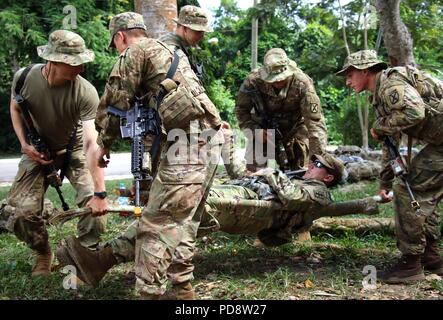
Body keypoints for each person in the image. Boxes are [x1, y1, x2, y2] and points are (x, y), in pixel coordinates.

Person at [56, 154, 361, 294]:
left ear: (329, 177)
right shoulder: (304, 178)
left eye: (317, 165)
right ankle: (104, 258)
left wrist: (269, 174)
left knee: (181, 205)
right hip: (245, 198)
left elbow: (292, 197)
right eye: (312, 161)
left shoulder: (319, 192)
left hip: (250, 208)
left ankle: (104, 259)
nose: (310, 165)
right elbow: (253, 175)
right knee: (173, 211)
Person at [91, 12, 224, 299]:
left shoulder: (134, 52)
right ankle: (182, 288)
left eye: (115, 44)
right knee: (186, 221)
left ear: (120, 37)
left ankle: (149, 294)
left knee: (156, 223)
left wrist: (104, 144)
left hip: (187, 145)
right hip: (210, 142)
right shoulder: (170, 51)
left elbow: (115, 103)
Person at [2, 30, 108, 276]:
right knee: (20, 214)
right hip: (36, 152)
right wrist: (24, 144)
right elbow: (16, 107)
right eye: (73, 63)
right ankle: (43, 252)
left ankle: (82, 254)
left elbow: (92, 143)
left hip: (75, 151)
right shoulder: (24, 77)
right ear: (53, 61)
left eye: (81, 62)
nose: (80, 69)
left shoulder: (85, 92)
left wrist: (100, 193)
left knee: (95, 209)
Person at [337, 49, 443, 283]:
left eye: (350, 74)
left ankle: (410, 264)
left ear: (365, 70)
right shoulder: (381, 94)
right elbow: (391, 143)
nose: (347, 80)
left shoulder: (390, 85)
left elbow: (415, 112)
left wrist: (381, 125)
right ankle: (431, 257)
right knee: (418, 188)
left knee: (408, 189)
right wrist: (384, 181)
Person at [235, 48, 328, 172]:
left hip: (295, 129)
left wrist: (318, 162)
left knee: (301, 172)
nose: (278, 81)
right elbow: (241, 111)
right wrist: (255, 130)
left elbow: (315, 123)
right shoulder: (252, 82)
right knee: (255, 173)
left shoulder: (302, 83)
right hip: (263, 130)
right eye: (273, 78)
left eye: (281, 77)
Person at [160, 5, 212, 80]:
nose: (202, 36)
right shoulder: (171, 49)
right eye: (198, 31)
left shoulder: (182, 46)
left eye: (203, 32)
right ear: (184, 28)